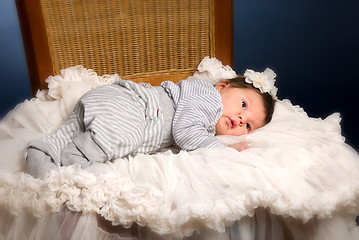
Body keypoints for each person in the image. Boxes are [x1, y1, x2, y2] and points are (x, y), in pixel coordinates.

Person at [25, 68, 277, 179]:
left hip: (111, 102)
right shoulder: (209, 99)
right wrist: (222, 150)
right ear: (222, 86)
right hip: (134, 105)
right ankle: (76, 157)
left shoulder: (208, 112)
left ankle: (44, 150)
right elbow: (186, 131)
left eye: (248, 126)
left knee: (71, 130)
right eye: (243, 105)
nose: (242, 120)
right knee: (125, 134)